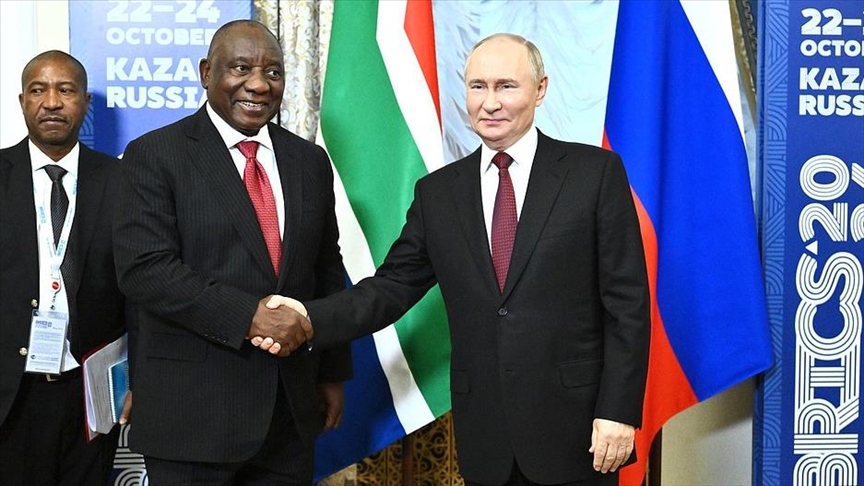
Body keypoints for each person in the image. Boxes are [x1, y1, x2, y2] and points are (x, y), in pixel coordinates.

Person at [260, 33, 651, 486]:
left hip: (579, 432)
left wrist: (618, 411)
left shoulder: (594, 175)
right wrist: (308, 317)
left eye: (506, 86)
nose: (490, 102)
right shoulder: (439, 194)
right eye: (477, 86)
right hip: (486, 438)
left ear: (540, 89)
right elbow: (389, 289)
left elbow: (627, 306)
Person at [112, 19, 350, 484]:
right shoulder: (154, 154)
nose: (259, 85)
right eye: (241, 68)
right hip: (192, 416)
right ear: (207, 72)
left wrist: (332, 372)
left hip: (289, 412)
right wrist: (249, 317)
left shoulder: (310, 161)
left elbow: (326, 267)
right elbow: (146, 269)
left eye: (273, 72)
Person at [0, 50, 131, 485]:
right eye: (38, 90)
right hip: (10, 392)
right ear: (22, 101)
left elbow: (139, 291)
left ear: (85, 103)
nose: (52, 102)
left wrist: (138, 380)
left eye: (66, 90)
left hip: (90, 393)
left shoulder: (121, 181)